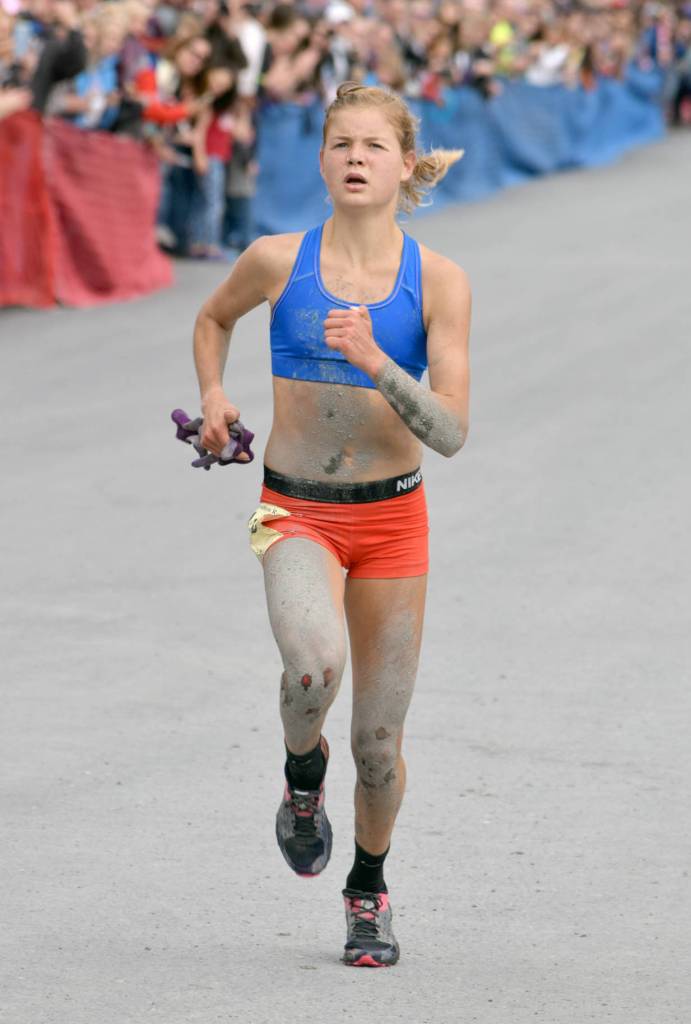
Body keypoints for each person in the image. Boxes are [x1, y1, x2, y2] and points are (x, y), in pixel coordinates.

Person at [191, 80, 470, 967]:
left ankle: (366, 892)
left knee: (378, 744)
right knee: (313, 664)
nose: (356, 157)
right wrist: (213, 396)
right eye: (341, 143)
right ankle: (301, 772)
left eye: (373, 146)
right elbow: (213, 317)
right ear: (320, 161)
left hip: (393, 523)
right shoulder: (277, 260)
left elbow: (451, 432)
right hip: (295, 508)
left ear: (403, 165)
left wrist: (376, 359)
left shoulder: (438, 281)